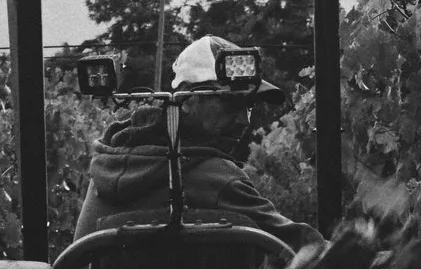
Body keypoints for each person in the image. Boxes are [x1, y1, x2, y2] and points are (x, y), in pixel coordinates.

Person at [73, 34, 320, 247]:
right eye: (231, 103)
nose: (243, 121)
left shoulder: (107, 165)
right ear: (189, 100)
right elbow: (300, 245)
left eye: (248, 105)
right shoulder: (217, 177)